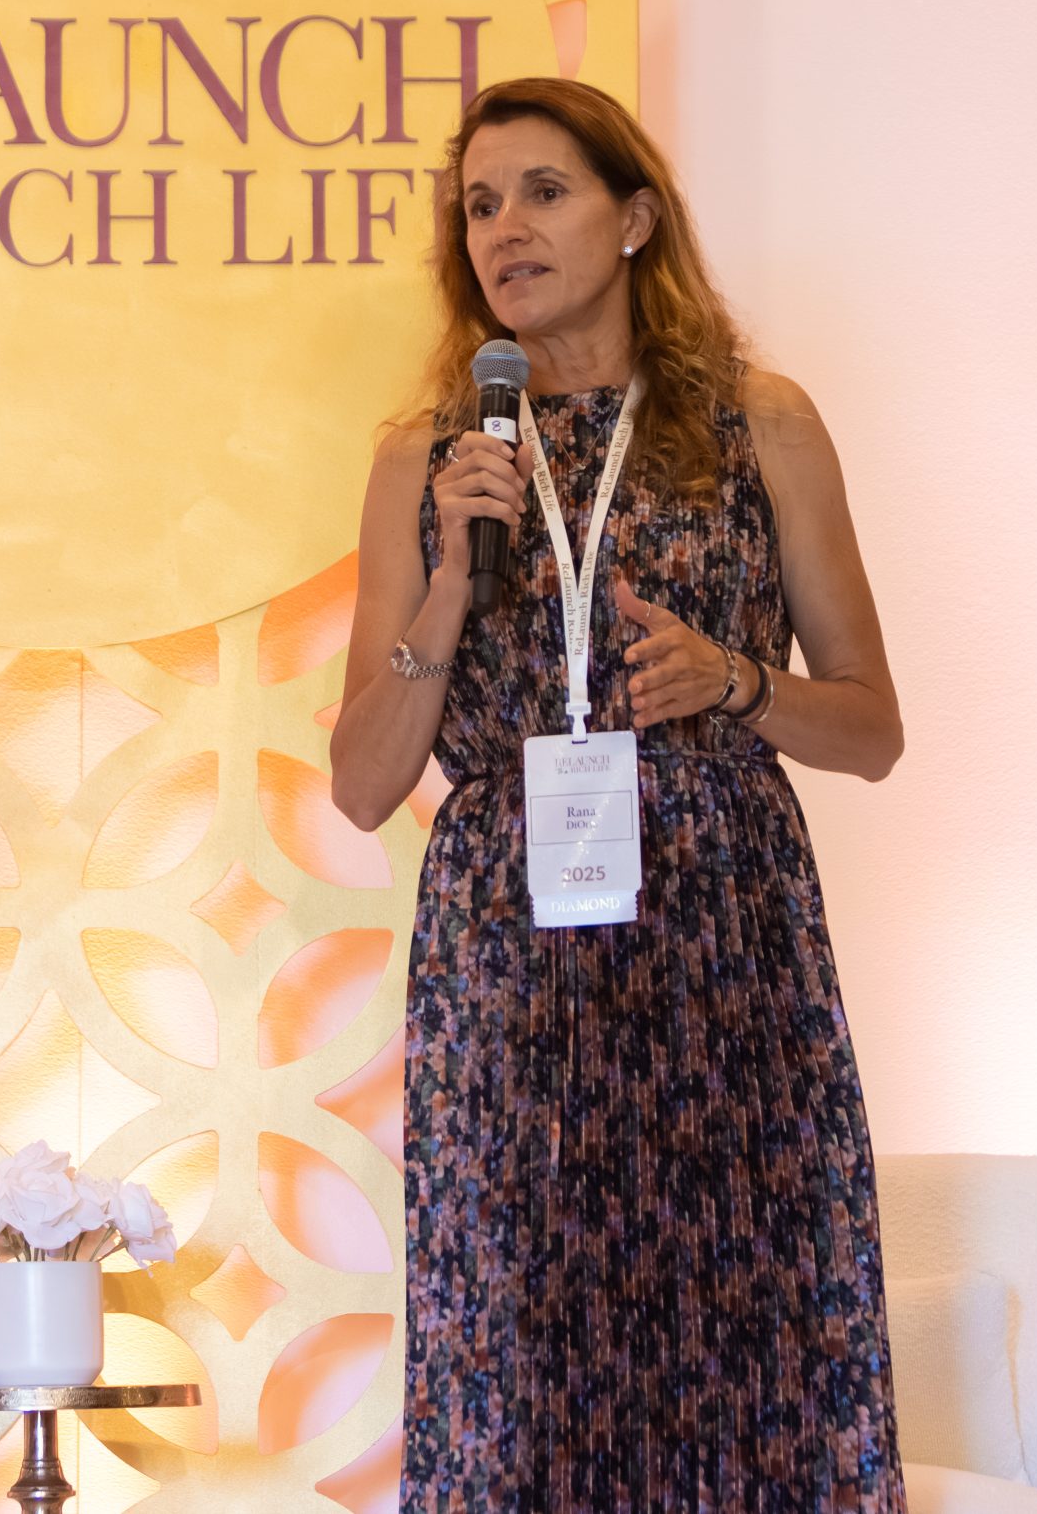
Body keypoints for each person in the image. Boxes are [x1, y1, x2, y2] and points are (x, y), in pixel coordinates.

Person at [330, 77, 907, 1511]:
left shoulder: (758, 424)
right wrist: (449, 582)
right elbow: (362, 781)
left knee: (743, 1347)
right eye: (480, 206)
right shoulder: (425, 460)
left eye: (544, 192)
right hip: (507, 967)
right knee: (515, 1361)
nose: (505, 230)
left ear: (636, 217)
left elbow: (872, 729)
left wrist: (735, 681)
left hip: (723, 952)